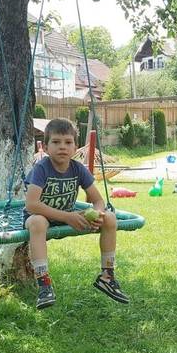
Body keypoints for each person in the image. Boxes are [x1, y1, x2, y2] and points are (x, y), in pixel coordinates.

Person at [24, 118, 128, 309]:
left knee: (110, 218)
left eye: (68, 142)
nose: (62, 147)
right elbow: (31, 204)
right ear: (45, 147)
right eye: (56, 142)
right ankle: (44, 284)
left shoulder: (78, 169)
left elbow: (98, 201)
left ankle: (107, 276)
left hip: (67, 215)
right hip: (42, 217)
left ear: (75, 147)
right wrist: (68, 217)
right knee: (37, 222)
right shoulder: (41, 168)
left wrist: (97, 214)